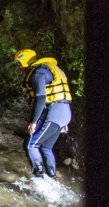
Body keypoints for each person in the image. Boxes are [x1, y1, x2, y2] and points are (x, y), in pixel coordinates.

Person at [12, 49, 72, 179]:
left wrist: (33, 122)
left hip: (55, 112)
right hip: (64, 112)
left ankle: (39, 180)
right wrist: (63, 122)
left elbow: (40, 97)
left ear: (24, 62)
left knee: (30, 145)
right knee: (46, 147)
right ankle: (52, 180)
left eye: (18, 63)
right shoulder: (48, 69)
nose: (18, 67)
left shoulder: (38, 73)